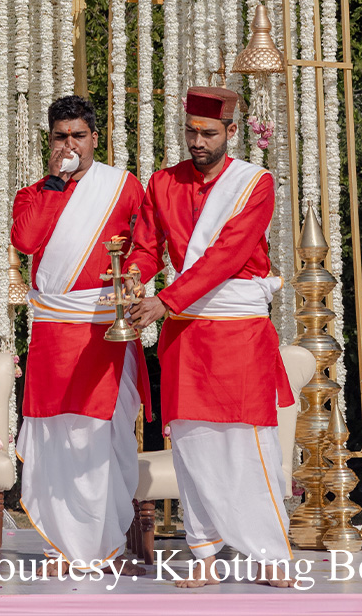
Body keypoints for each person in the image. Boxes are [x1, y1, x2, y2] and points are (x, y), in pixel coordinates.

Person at [126, 85, 294, 587]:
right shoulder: (161, 182)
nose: (197, 142)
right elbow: (146, 247)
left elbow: (225, 255)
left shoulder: (254, 184)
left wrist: (165, 301)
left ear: (231, 132)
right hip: (186, 333)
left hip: (237, 329)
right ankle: (204, 557)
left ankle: (270, 553)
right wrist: (133, 275)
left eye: (208, 133)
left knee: (250, 444)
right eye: (190, 132)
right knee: (193, 447)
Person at [10, 94, 149, 569]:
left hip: (103, 325)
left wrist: (130, 280)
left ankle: (101, 543)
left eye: (77, 136)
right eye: (59, 137)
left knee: (97, 431)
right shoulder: (34, 192)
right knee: (53, 433)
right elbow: (26, 241)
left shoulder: (123, 187)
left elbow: (146, 247)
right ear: (49, 142)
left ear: (95, 139)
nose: (69, 144)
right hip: (52, 330)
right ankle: (59, 544)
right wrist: (55, 184)